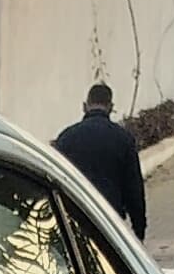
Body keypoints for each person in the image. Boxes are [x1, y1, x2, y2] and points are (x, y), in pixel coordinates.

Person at [53, 79, 148, 240]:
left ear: (85, 106)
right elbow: (134, 190)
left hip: (75, 217)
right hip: (110, 221)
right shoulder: (123, 139)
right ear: (111, 107)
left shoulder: (66, 138)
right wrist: (139, 230)